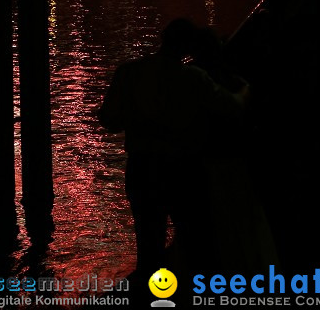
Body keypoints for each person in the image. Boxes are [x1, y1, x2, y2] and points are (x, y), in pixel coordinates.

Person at [98, 18, 246, 279]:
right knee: (195, 240)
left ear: (163, 38)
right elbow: (231, 107)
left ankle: (149, 296)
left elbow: (109, 120)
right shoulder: (193, 78)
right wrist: (246, 90)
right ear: (189, 48)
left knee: (148, 242)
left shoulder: (129, 72)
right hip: (182, 169)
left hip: (142, 167)